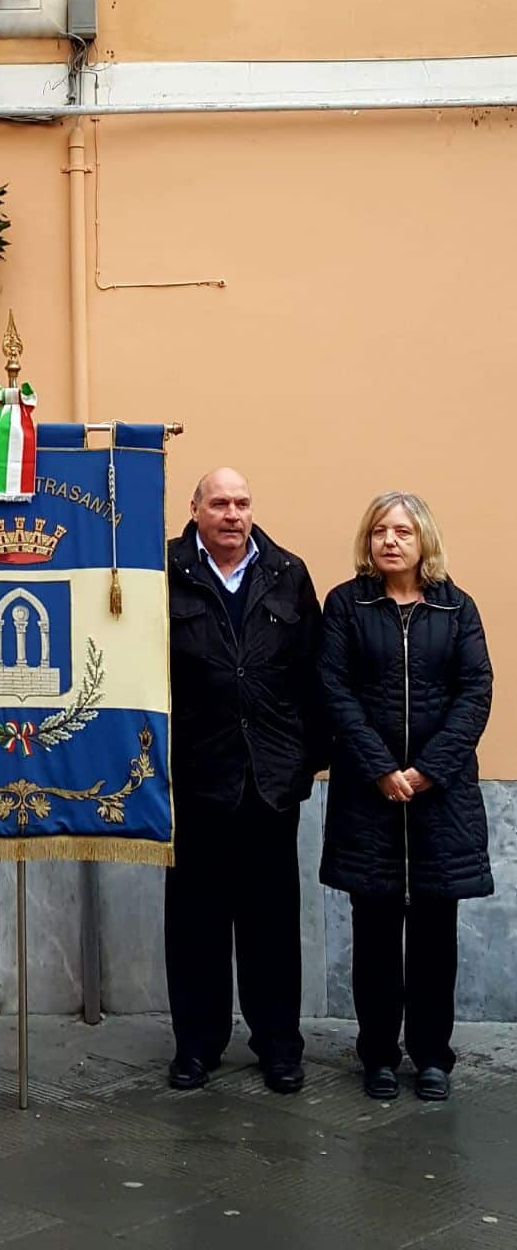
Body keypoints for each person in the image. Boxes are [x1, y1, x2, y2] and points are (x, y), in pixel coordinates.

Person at [319, 491, 492, 1102]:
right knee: (374, 934)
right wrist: (381, 769)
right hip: (370, 800)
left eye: (403, 531)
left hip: (440, 801)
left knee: (434, 936)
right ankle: (378, 1057)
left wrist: (426, 771)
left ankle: (432, 1055)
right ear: (367, 542)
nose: (390, 541)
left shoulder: (456, 608)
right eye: (380, 531)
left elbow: (476, 693)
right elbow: (334, 690)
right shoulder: (346, 605)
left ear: (424, 541)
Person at [166, 467, 325, 1093]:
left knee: (272, 922)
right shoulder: (165, 573)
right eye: (220, 503)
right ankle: (196, 1045)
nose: (233, 514)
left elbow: (313, 677)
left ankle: (279, 1045)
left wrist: (305, 762)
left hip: (269, 780)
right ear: (196, 509)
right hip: (197, 775)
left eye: (242, 503)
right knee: (195, 921)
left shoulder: (288, 574)